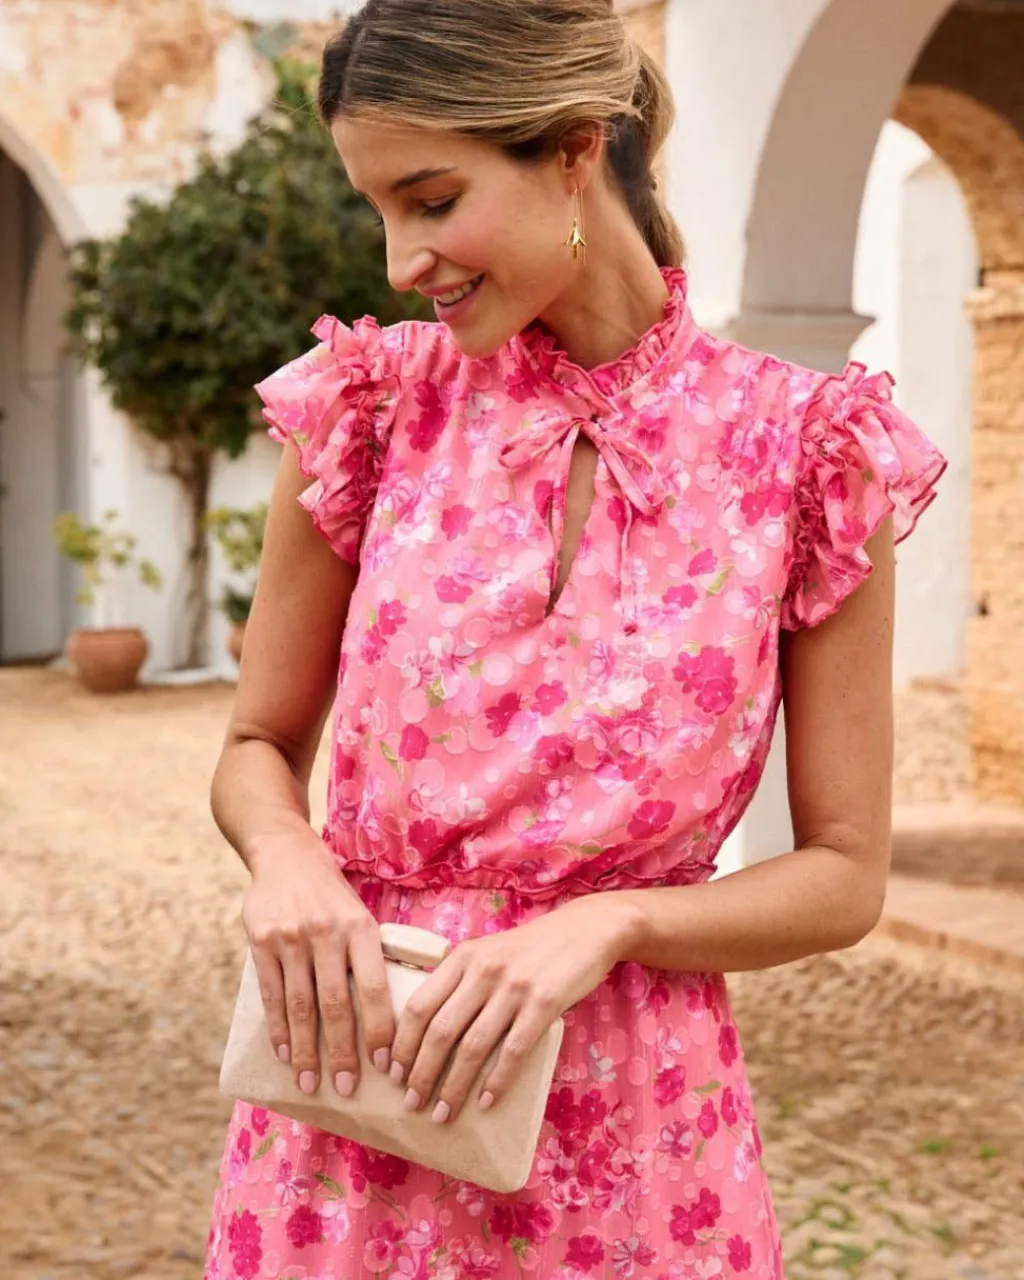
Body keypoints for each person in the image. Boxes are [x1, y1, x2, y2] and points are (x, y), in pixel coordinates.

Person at [204, 1, 947, 1276]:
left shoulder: (809, 453)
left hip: (639, 1142)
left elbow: (842, 872)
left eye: (431, 200)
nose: (399, 261)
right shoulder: (370, 410)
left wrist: (611, 924)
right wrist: (285, 859)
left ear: (572, 148)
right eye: (378, 209)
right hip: (351, 1118)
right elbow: (254, 742)